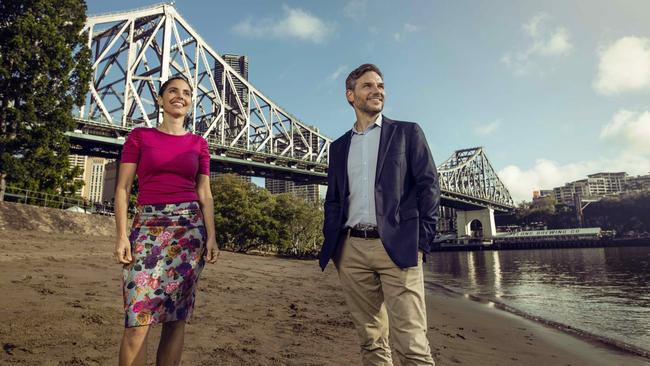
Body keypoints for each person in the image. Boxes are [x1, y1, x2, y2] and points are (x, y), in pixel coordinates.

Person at [320, 64, 440, 366]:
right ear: (351, 95)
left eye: (381, 85)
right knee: (371, 341)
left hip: (399, 246)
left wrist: (422, 241)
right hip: (351, 250)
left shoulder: (407, 133)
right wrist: (336, 247)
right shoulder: (338, 148)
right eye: (368, 86)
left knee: (412, 344)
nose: (377, 91)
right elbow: (333, 199)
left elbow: (429, 185)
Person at [113, 75, 219, 366]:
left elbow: (205, 192)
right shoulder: (139, 137)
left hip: (189, 231)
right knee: (138, 321)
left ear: (190, 102)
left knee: (175, 320)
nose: (179, 96)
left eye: (186, 93)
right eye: (172, 91)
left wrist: (211, 236)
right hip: (146, 229)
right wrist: (122, 235)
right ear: (160, 100)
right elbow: (122, 189)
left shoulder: (199, 144)